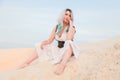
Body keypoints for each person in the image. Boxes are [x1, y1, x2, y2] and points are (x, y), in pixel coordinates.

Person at [18, 8, 79, 75]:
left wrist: (70, 24)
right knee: (40, 45)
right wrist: (43, 43)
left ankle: (62, 65)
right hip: (59, 50)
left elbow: (69, 38)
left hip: (68, 51)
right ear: (62, 15)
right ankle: (27, 63)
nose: (67, 16)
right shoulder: (56, 27)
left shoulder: (72, 28)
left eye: (70, 15)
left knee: (69, 43)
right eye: (66, 14)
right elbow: (49, 40)